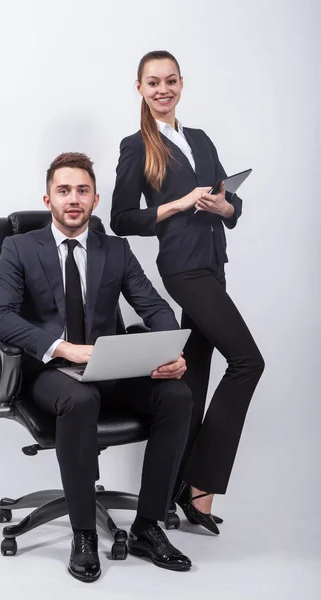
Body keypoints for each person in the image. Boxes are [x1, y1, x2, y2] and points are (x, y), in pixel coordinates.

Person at [0, 152, 194, 582]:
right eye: (64, 191)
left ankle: (148, 526)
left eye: (82, 190)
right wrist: (64, 349)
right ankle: (83, 534)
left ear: (95, 199)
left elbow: (153, 306)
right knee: (80, 400)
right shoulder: (19, 247)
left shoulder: (115, 249)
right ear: (48, 199)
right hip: (48, 374)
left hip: (109, 369)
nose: (73, 199)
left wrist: (168, 349)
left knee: (176, 395)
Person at [111, 50, 265, 536]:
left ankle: (173, 488)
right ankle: (201, 485)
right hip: (182, 268)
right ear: (139, 88)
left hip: (213, 265)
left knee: (193, 378)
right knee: (248, 362)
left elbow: (229, 200)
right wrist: (177, 203)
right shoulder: (137, 145)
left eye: (170, 80)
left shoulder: (199, 138)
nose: (163, 89)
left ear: (181, 84)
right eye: (153, 82)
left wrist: (225, 205)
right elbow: (120, 219)